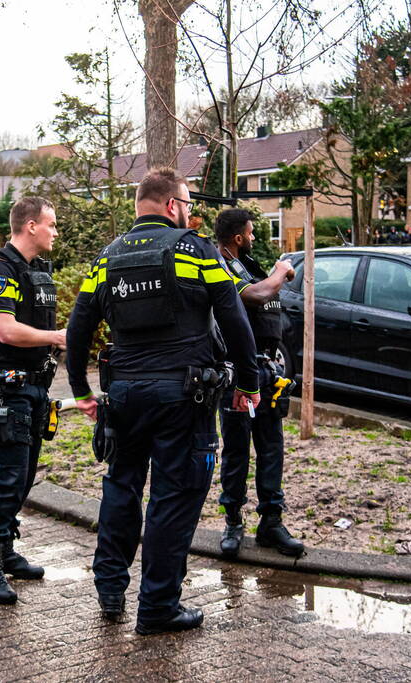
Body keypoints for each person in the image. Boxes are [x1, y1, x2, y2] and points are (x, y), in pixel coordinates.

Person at [66, 167, 261, 635]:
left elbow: (78, 327)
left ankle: (111, 588)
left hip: (125, 395)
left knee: (121, 485)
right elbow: (233, 317)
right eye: (189, 204)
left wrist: (80, 390)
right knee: (173, 498)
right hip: (183, 397)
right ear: (172, 205)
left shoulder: (107, 258)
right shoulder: (195, 250)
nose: (190, 213)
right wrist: (249, 383)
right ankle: (157, 607)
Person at [0, 196, 67, 605]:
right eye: (51, 224)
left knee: (22, 478)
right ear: (30, 226)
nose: (55, 232)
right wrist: (57, 337)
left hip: (33, 388)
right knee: (8, 478)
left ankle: (6, 552)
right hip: (6, 389)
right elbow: (6, 331)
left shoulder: (32, 272)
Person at [213, 209, 305, 559]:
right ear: (238, 237)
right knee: (236, 451)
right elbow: (254, 295)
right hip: (237, 374)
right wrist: (281, 271)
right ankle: (233, 522)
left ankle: (271, 522)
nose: (253, 238)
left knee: (271, 449)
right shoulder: (220, 267)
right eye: (250, 233)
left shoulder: (248, 264)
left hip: (267, 373)